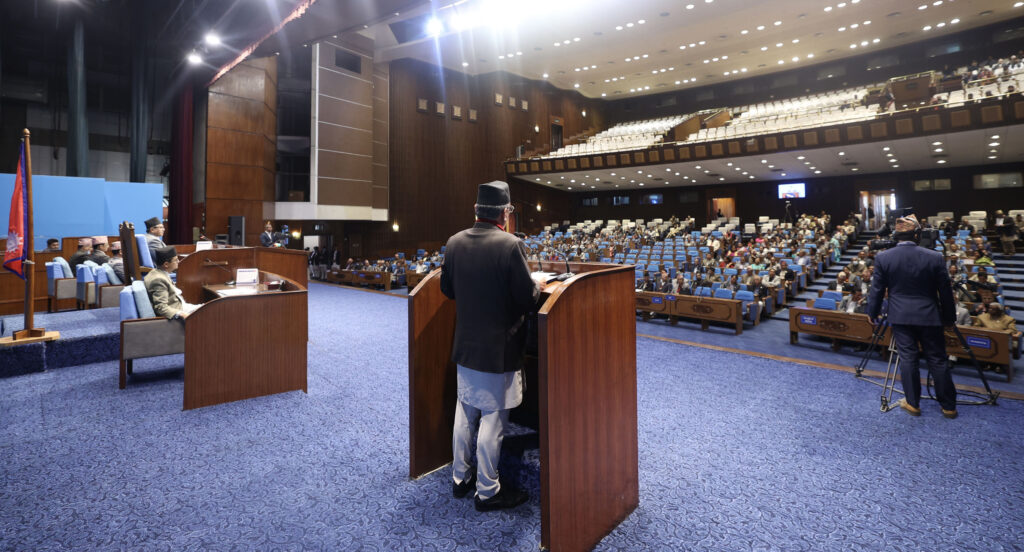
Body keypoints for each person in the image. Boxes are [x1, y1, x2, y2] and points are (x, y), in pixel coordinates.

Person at [440, 181, 538, 512]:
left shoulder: (453, 243)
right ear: (505, 213)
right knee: (493, 421)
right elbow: (528, 298)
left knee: (465, 411)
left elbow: (448, 290)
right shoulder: (510, 245)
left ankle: (459, 477)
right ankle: (487, 490)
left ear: (476, 211)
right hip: (498, 351)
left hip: (466, 347)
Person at [867, 214, 958, 419]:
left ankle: (913, 403)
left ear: (896, 236)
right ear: (917, 234)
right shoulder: (934, 257)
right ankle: (949, 406)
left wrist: (872, 313)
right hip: (929, 316)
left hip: (900, 316)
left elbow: (877, 290)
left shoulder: (883, 257)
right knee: (938, 359)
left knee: (908, 358)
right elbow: (945, 292)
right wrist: (949, 318)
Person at [145, 246, 198, 320]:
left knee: (208, 307)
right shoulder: (158, 280)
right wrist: (182, 314)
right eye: (176, 260)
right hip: (180, 311)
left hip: (182, 305)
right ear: (166, 264)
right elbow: (161, 307)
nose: (178, 262)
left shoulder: (157, 272)